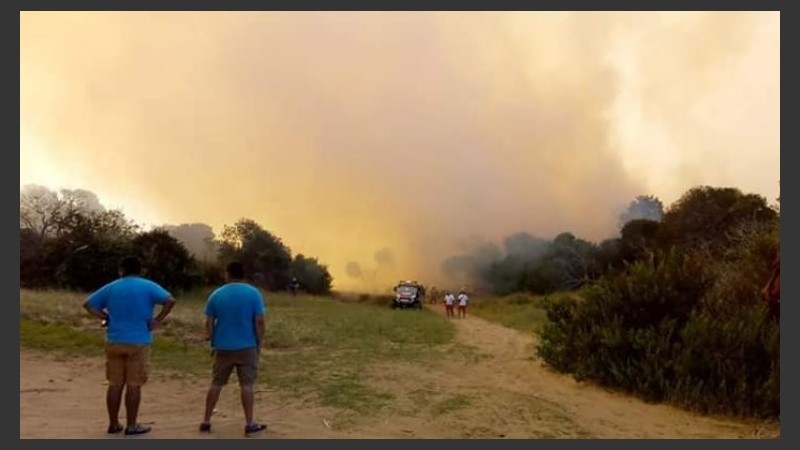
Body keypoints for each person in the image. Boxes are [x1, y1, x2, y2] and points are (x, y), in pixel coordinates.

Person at [83, 255, 177, 436]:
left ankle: (113, 424)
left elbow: (88, 304)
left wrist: (104, 317)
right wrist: (157, 320)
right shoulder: (148, 286)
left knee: (115, 384)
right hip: (139, 341)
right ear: (140, 270)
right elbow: (170, 300)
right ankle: (132, 425)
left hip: (114, 340)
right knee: (134, 385)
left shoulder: (111, 287)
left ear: (121, 270)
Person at [200, 262, 268, 435]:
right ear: (242, 274)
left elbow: (209, 322)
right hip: (247, 345)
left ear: (227, 274)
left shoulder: (216, 294)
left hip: (223, 346)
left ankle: (206, 420)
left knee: (216, 383)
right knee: (246, 385)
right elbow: (259, 321)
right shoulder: (253, 293)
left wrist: (213, 341)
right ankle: (249, 422)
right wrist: (259, 343)